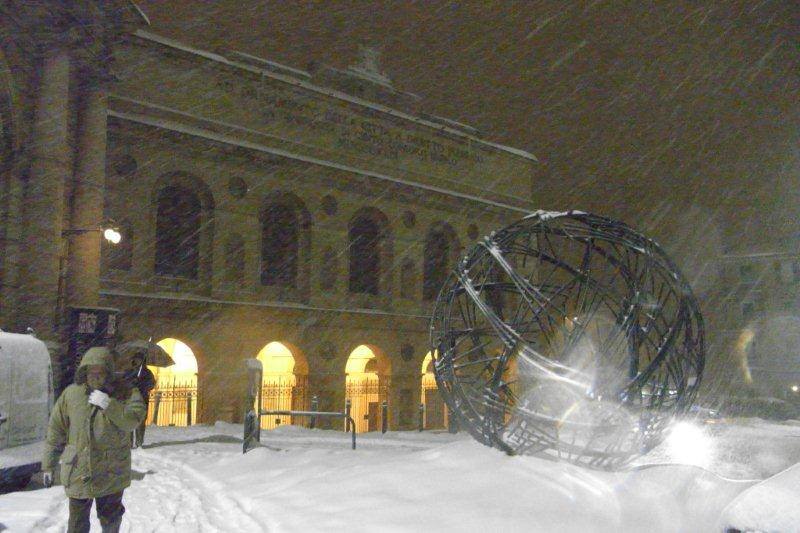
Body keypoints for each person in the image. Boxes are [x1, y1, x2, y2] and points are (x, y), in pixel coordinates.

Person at [41, 346, 146, 533]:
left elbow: (132, 421)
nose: (95, 376)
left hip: (110, 470)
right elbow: (56, 430)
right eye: (91, 372)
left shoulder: (126, 393)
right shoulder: (71, 395)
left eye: (101, 372)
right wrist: (48, 464)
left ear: (109, 373)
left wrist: (109, 405)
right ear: (84, 372)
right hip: (78, 469)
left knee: (110, 520)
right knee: (77, 523)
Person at [129, 352, 156, 448]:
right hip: (131, 399)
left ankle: (139, 441)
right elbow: (124, 383)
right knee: (130, 420)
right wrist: (132, 383)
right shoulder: (130, 371)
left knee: (141, 421)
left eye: (139, 359)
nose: (137, 361)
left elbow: (151, 384)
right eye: (136, 359)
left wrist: (142, 385)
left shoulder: (147, 373)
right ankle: (129, 442)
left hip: (143, 399)